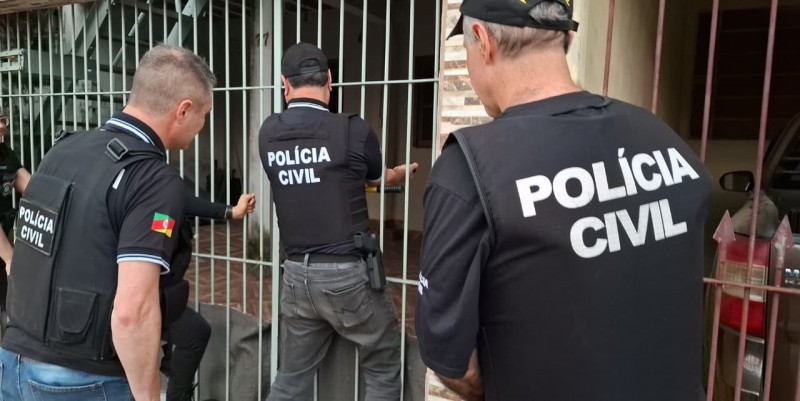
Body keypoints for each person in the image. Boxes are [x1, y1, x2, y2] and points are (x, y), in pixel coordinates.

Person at [416, 1, 711, 401]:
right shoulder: (665, 142)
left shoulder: (470, 169)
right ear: (566, 37)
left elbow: (453, 362)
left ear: (483, 41)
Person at [0, 44, 215, 401]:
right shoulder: (154, 181)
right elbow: (133, 313)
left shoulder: (61, 151)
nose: (203, 126)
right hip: (83, 379)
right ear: (183, 110)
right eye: (204, 115)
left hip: (13, 364)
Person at [259, 42, 417, 401]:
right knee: (382, 366)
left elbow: (310, 176)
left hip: (296, 275)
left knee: (290, 379)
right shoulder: (352, 129)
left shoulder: (268, 133)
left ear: (285, 84)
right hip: (347, 275)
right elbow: (375, 177)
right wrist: (398, 175)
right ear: (330, 79)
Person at [159, 190, 255, 401]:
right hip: (139, 296)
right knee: (194, 332)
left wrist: (231, 212)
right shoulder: (154, 197)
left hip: (154, 294)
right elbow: (155, 237)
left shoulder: (161, 189)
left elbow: (181, 200)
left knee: (194, 331)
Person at [0, 109, 31, 316]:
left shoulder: (5, 153)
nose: (2, 126)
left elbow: (30, 186)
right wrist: (9, 257)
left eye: (3, 120)